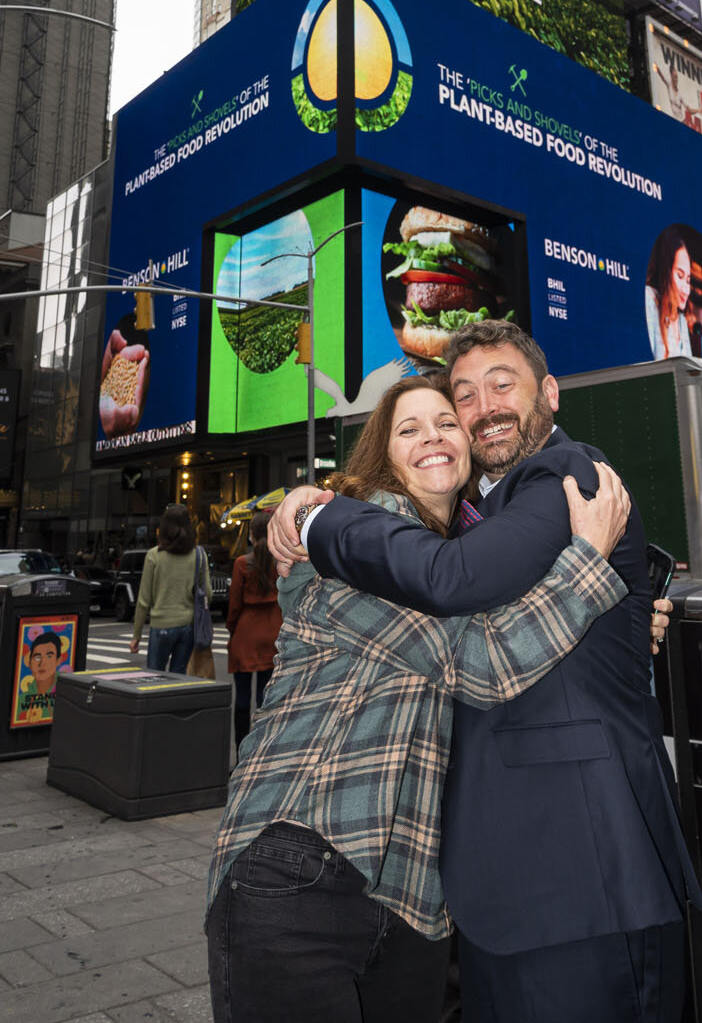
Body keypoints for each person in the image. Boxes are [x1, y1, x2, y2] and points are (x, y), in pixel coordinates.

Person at [270, 323, 701, 1023]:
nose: (483, 405)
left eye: (503, 383)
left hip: (580, 871)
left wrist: (322, 518)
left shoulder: (566, 474)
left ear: (550, 395)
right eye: (463, 394)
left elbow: (455, 580)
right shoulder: (481, 514)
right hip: (500, 888)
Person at [207, 374, 632, 1023]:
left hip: (412, 900)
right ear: (383, 452)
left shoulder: (459, 560)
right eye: (410, 428)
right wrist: (590, 560)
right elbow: (484, 662)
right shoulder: (357, 540)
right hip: (303, 860)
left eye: (445, 424)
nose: (433, 437)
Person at [129, 505, 212, 673]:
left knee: (154, 676)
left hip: (161, 624)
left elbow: (144, 600)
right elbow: (208, 594)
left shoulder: (154, 555)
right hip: (188, 625)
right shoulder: (199, 554)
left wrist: (136, 636)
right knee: (178, 677)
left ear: (164, 528)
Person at [226, 512, 282, 752]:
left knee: (242, 698)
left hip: (246, 632)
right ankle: (260, 751)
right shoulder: (278, 562)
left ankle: (241, 749)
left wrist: (232, 628)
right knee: (265, 696)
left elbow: (234, 605)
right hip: (272, 629)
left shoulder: (242, 563)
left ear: (252, 535)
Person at [645, 225, 691, 360]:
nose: (686, 289)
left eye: (688, 280)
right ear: (666, 271)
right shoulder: (649, 299)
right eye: (680, 276)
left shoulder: (682, 320)